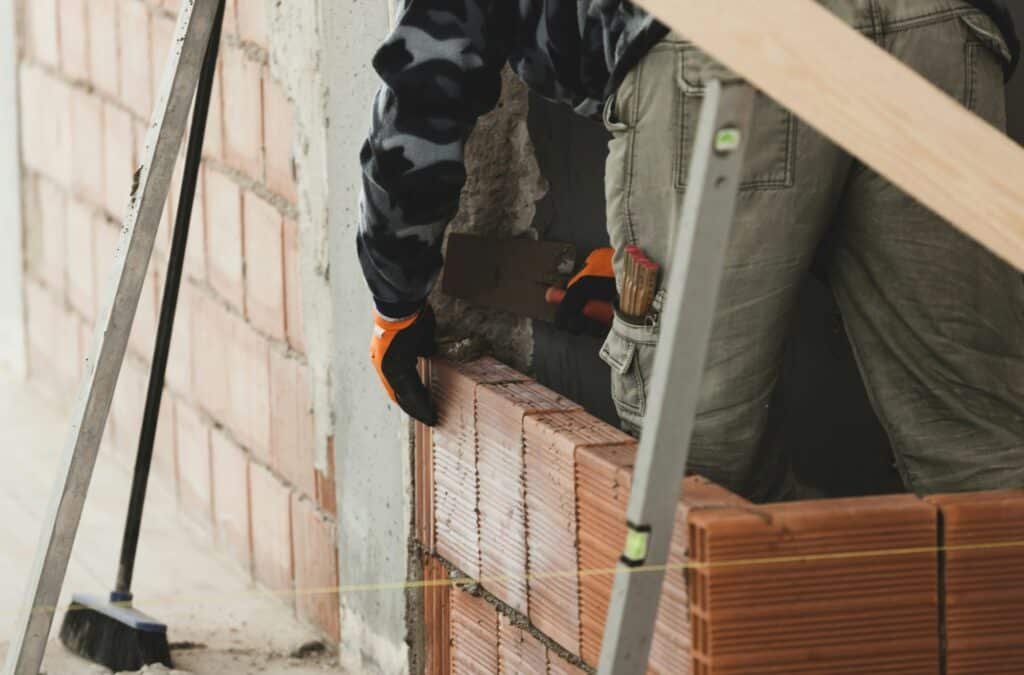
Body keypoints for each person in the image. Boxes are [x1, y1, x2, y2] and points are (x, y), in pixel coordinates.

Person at [359, 0, 1023, 500]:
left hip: (729, 38)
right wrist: (672, 252)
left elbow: (432, 67)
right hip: (941, 28)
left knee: (698, 464)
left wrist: (396, 295)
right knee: (981, 450)